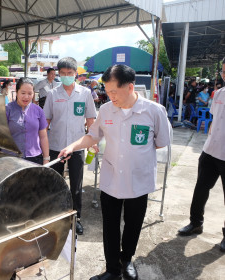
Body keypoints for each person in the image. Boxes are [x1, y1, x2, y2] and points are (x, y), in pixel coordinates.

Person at [58, 64, 171, 280]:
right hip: (111, 178)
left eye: (113, 92)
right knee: (109, 225)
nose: (109, 96)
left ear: (130, 87)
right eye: (107, 91)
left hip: (139, 179)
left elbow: (160, 143)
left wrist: (134, 155)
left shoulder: (154, 111)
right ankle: (112, 269)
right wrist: (73, 146)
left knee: (133, 223)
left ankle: (126, 259)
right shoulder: (107, 110)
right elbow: (93, 136)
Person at [43, 57, 96, 235]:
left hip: (78, 146)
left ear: (76, 74)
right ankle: (56, 217)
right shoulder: (52, 94)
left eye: (70, 74)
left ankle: (76, 218)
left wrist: (93, 142)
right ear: (58, 74)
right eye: (63, 74)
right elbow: (46, 121)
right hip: (55, 145)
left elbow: (90, 120)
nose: (66, 76)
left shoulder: (85, 94)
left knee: (76, 185)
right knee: (56, 183)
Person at [178, 58, 225, 254]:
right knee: (201, 189)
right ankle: (195, 222)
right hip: (210, 151)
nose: (224, 73)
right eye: (223, 70)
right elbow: (214, 120)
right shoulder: (220, 93)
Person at [6, 78, 49, 165]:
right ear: (17, 92)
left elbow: (43, 137)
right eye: (23, 93)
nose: (26, 97)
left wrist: (46, 158)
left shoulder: (38, 110)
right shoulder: (7, 109)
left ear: (33, 94)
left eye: (30, 93)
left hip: (35, 158)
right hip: (11, 159)